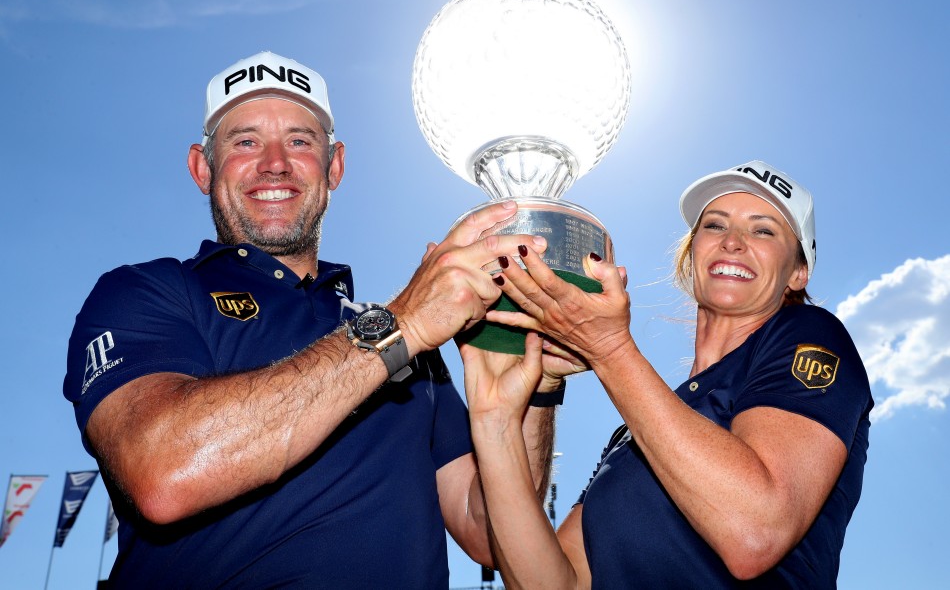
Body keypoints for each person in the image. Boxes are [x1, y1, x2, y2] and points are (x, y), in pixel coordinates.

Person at [64, 50, 566, 588]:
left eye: (301, 141)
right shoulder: (147, 291)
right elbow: (163, 473)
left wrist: (534, 384)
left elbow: (490, 535)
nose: (275, 162)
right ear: (202, 167)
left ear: (335, 166)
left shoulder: (409, 345)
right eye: (245, 141)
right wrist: (400, 326)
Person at [463, 161, 873, 588]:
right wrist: (496, 419)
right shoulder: (632, 435)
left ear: (797, 272)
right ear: (692, 253)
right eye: (714, 226)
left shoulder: (811, 333)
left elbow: (755, 532)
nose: (732, 242)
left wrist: (609, 348)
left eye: (763, 230)